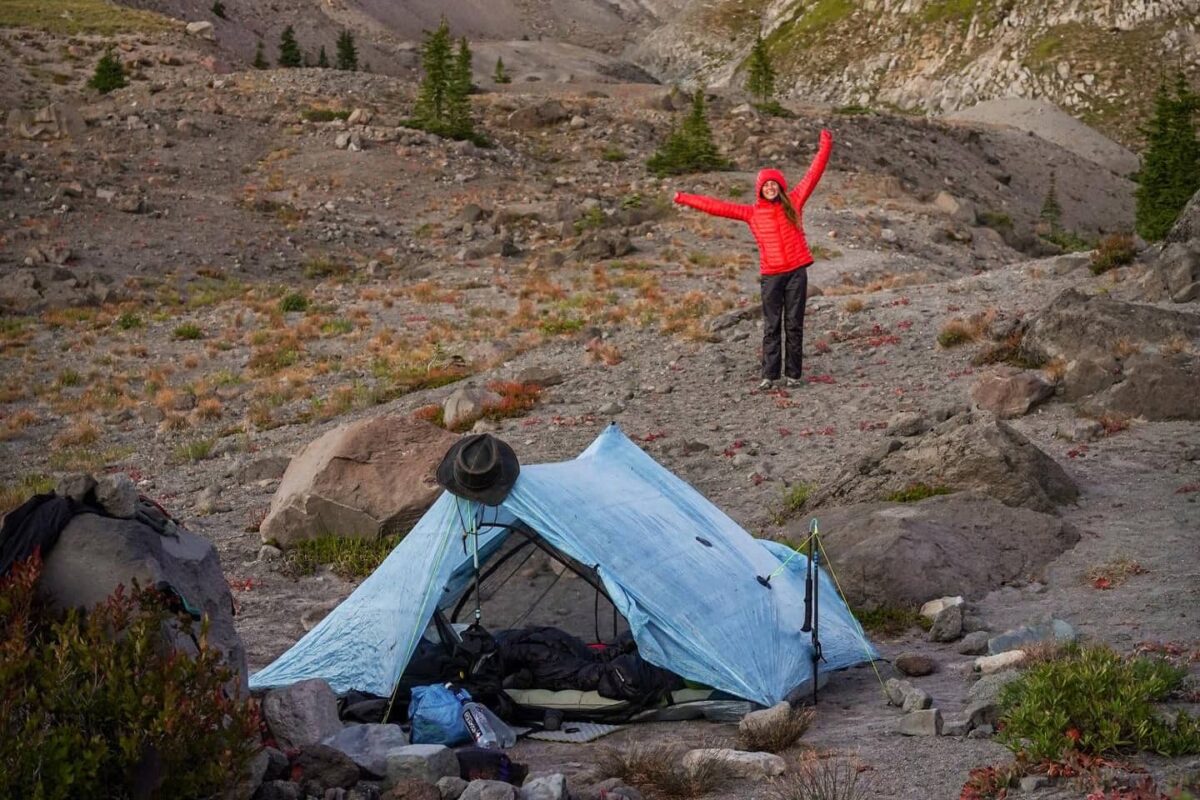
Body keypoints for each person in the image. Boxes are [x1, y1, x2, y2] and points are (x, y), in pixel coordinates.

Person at [673, 129, 833, 390]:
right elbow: (716, 206)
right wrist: (684, 198)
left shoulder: (794, 201)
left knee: (794, 325)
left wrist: (825, 144)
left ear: (780, 187)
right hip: (771, 276)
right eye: (765, 185)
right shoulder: (751, 213)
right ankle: (770, 376)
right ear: (760, 189)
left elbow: (814, 173)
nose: (770, 187)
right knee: (772, 326)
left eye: (774, 184)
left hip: (796, 274)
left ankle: (793, 374)